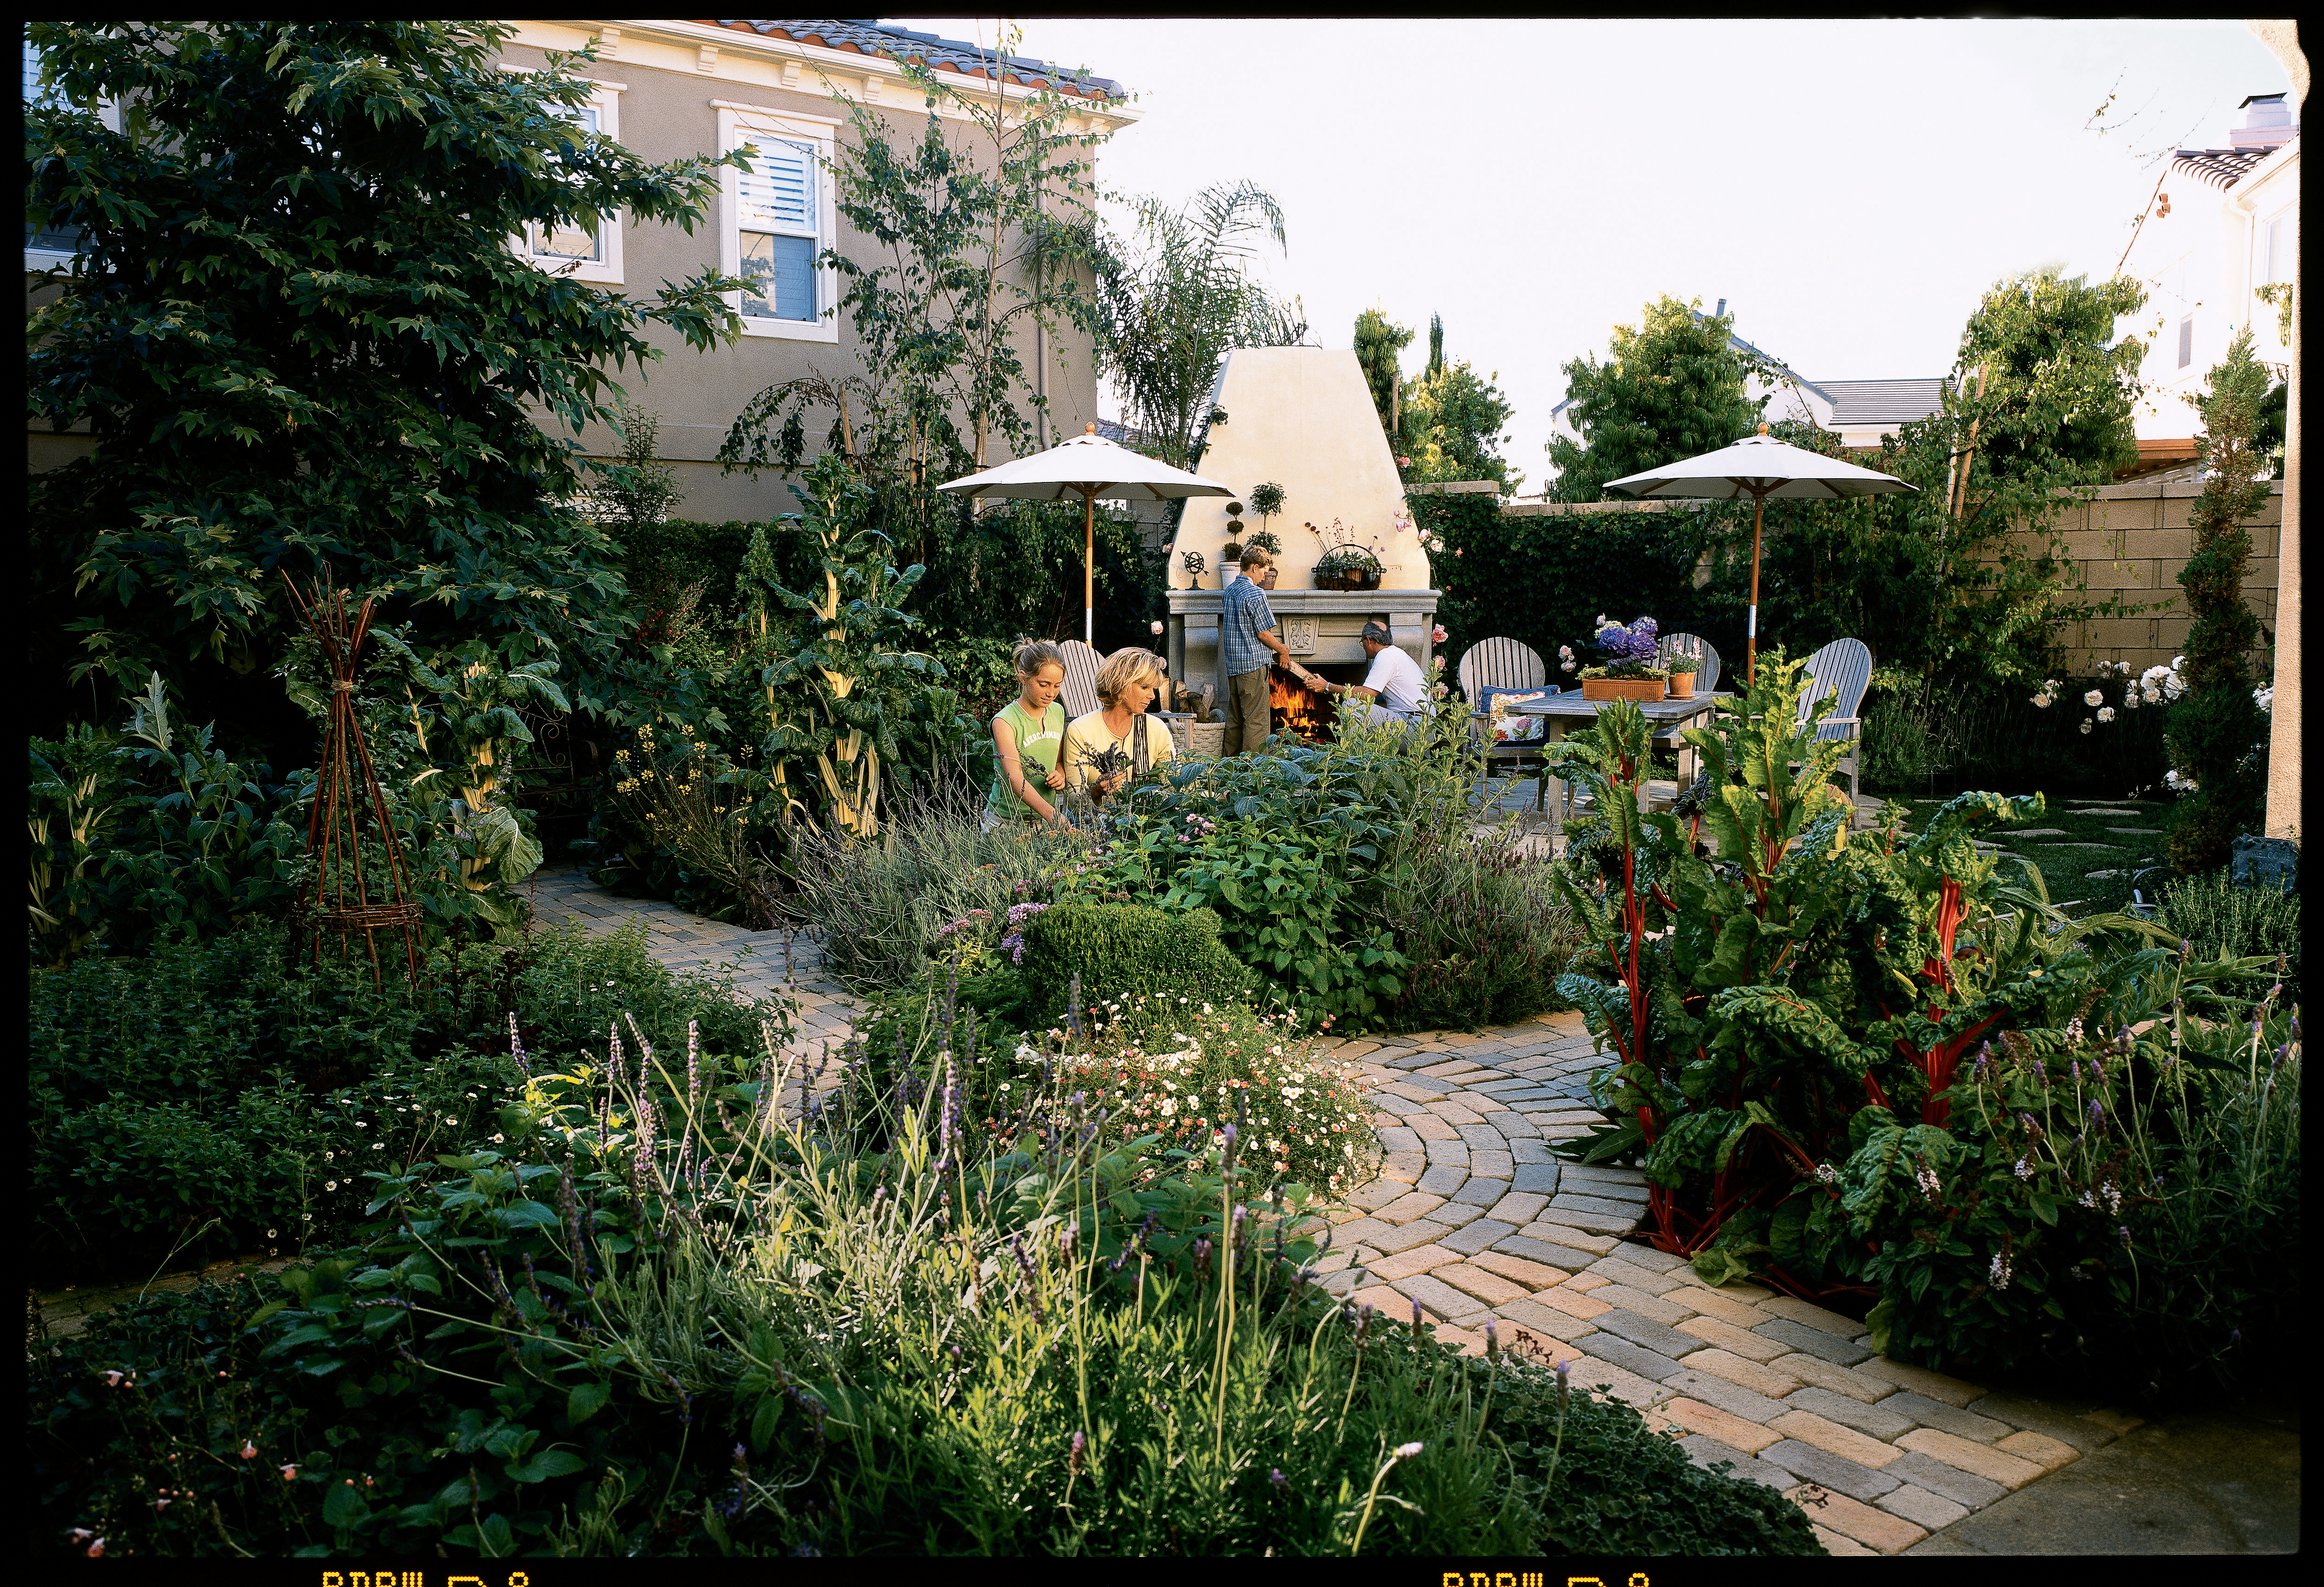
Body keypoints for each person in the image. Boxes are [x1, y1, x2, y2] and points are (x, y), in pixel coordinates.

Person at [1062, 646, 1176, 804]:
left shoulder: (1158, 730)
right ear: (1121, 685)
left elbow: (1171, 788)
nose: (1152, 696)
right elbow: (1073, 799)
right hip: (1096, 825)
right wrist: (1096, 792)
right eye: (1144, 687)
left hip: (1143, 826)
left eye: (1153, 688)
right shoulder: (1080, 731)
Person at [987, 638, 1069, 828]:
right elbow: (1015, 778)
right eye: (1044, 684)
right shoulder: (1004, 722)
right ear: (1023, 677)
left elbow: (1058, 761)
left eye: (1057, 686)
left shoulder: (1057, 712)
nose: (1051, 692)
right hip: (1006, 821)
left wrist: (1060, 775)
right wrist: (1052, 815)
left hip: (1045, 820)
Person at [1221, 546, 1294, 753]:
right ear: (1254, 568)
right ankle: (1255, 774)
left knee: (1236, 719)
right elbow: (1263, 633)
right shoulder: (1256, 593)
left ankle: (1230, 769)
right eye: (1263, 571)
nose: (1264, 577)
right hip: (1252, 666)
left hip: (1233, 666)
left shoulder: (1229, 592)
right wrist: (1283, 649)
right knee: (1257, 722)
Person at [1310, 621, 1432, 726]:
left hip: (1414, 725)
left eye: (1362, 641)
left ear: (1368, 640)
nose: (1363, 646)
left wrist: (1327, 687)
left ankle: (1351, 753)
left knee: (1351, 704)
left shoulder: (1386, 656)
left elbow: (1367, 695)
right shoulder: (1396, 654)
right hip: (1422, 723)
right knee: (1366, 708)